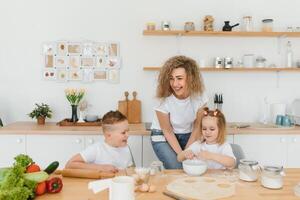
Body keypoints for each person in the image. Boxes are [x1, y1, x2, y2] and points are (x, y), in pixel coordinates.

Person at [151, 55, 208, 169]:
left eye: (179, 78)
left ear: (190, 78)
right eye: (171, 78)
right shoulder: (163, 98)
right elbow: (167, 131)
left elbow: (197, 127)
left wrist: (187, 151)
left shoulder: (200, 97)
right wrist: (182, 155)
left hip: (189, 134)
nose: (175, 84)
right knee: (177, 168)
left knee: (193, 166)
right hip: (163, 136)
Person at [65, 110, 133, 173]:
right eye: (123, 132)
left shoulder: (125, 148)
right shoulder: (97, 149)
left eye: (128, 131)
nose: (128, 135)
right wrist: (101, 167)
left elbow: (130, 169)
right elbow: (69, 164)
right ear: (108, 135)